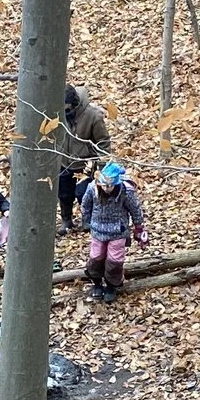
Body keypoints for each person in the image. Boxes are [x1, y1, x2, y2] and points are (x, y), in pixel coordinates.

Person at [79, 161, 147, 301]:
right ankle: (97, 283)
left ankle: (111, 285)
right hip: (97, 230)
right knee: (96, 257)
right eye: (104, 185)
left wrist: (138, 227)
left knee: (115, 260)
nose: (107, 188)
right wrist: (86, 221)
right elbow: (85, 205)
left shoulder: (126, 191)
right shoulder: (92, 188)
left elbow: (135, 209)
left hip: (118, 231)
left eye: (111, 186)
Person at [57, 84, 113, 232]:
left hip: (86, 162)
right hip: (63, 160)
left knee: (83, 193)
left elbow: (103, 141)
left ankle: (87, 219)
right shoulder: (56, 111)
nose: (65, 111)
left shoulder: (93, 116)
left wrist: (102, 164)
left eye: (67, 109)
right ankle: (66, 220)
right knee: (64, 194)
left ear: (75, 104)